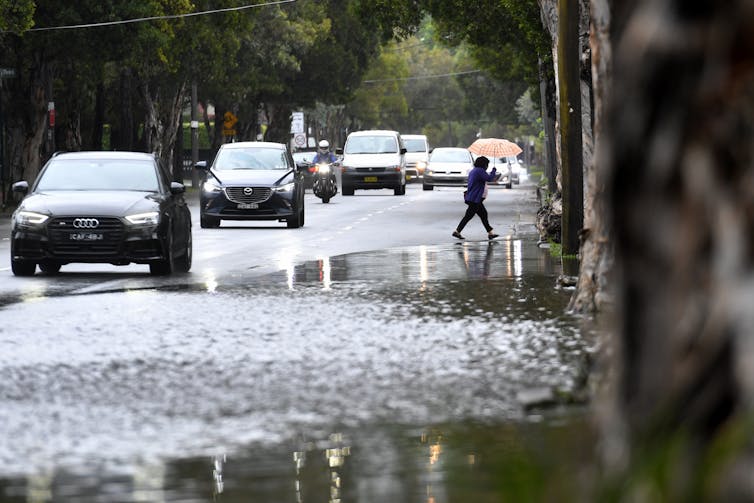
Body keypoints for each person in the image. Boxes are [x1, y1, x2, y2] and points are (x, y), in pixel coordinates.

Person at [453, 155, 499, 240]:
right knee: (469, 216)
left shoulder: (474, 170)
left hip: (474, 198)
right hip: (475, 199)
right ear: (483, 164)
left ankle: (490, 233)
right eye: (486, 164)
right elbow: (489, 178)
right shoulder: (480, 171)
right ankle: (457, 231)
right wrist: (493, 171)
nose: (487, 166)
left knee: (483, 215)